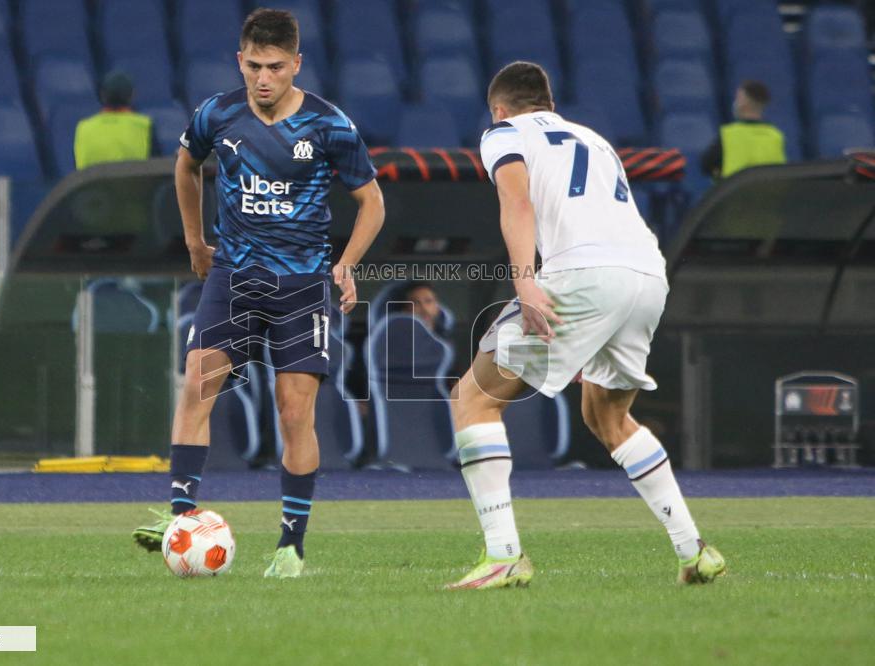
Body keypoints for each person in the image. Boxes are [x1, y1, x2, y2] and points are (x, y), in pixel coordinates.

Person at [446, 61, 726, 590]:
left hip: (581, 275)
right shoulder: (595, 140)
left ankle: (504, 556)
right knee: (608, 416)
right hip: (646, 276)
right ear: (550, 105)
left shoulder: (503, 133)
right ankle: (694, 550)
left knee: (473, 398)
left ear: (499, 109)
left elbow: (516, 200)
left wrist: (525, 281)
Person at [131, 8, 384, 578]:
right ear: (239, 61)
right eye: (253, 66)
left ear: (297, 64)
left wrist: (345, 265)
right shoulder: (217, 114)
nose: (263, 78)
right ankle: (180, 519)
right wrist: (195, 241)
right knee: (197, 382)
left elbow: (372, 203)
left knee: (294, 411)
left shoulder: (329, 125)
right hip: (234, 276)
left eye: (275, 67)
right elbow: (185, 166)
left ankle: (291, 545)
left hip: (302, 284)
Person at [700, 80, 786, 179]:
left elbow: (705, 165)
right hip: (769, 189)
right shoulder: (776, 136)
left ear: (744, 102)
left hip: (737, 189)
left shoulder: (729, 135)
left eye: (738, 98)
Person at [74, 70, 152, 170]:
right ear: (131, 96)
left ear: (102, 96)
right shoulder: (145, 126)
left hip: (94, 181)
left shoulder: (83, 128)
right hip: (133, 180)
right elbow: (156, 168)